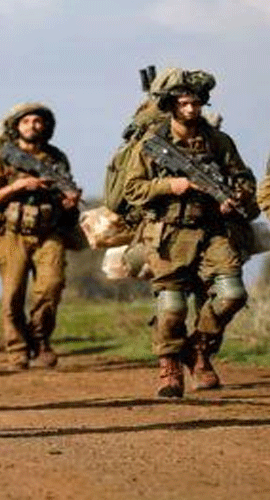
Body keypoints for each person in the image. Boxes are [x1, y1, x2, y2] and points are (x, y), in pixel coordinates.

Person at [123, 68, 258, 397]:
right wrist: (171, 185)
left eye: (196, 103)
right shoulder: (151, 144)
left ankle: (198, 350)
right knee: (172, 307)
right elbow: (133, 189)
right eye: (184, 103)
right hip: (169, 233)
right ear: (172, 105)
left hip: (213, 230)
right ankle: (169, 365)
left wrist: (236, 198)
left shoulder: (218, 141)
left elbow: (244, 179)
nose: (191, 109)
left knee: (232, 294)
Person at [0, 103, 81, 370]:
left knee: (52, 286)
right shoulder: (0, 157)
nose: (32, 126)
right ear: (16, 126)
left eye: (37, 121)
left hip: (49, 231)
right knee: (13, 295)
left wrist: (69, 202)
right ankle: (17, 349)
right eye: (26, 121)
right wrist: (20, 186)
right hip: (11, 233)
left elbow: (66, 192)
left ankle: (41, 339)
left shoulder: (55, 157)